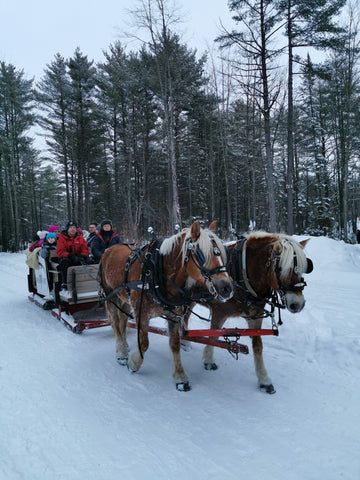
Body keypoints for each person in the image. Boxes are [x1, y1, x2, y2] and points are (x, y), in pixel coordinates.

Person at [56, 221, 89, 288]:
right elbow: (60, 251)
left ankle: (88, 281)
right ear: (67, 229)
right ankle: (66, 282)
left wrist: (83, 255)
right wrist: (70, 255)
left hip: (78, 257)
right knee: (65, 262)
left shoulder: (80, 238)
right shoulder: (62, 238)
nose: (72, 229)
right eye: (70, 228)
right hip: (68, 258)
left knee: (89, 261)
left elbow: (85, 249)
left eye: (74, 227)